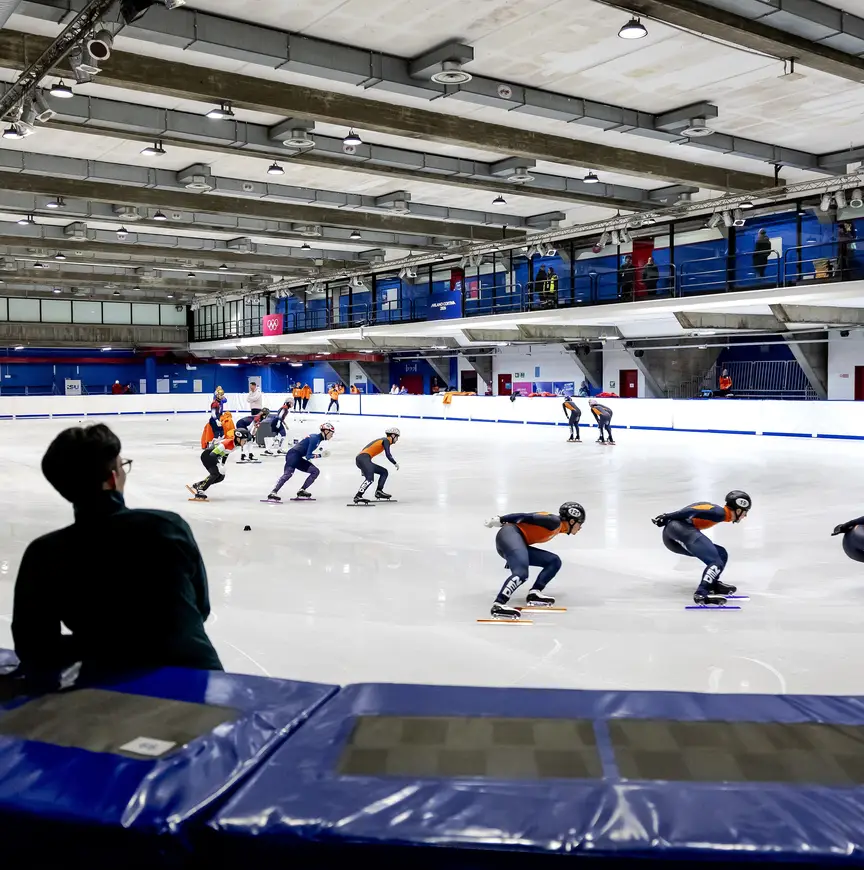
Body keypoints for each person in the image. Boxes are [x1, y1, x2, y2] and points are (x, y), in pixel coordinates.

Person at [10, 423, 222, 690]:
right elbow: (200, 608)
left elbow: (33, 645)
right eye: (123, 466)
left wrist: (98, 643)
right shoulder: (167, 528)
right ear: (113, 478)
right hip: (193, 681)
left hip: (106, 690)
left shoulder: (44, 553)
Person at [483, 502, 586, 620]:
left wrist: (513, 556)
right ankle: (499, 604)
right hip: (509, 535)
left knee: (554, 561)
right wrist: (500, 519)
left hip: (513, 539)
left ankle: (534, 593)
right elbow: (525, 516)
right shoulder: (554, 521)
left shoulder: (558, 527)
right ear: (572, 521)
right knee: (521, 574)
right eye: (580, 523)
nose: (580, 527)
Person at [652, 492, 751, 605]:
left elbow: (693, 510)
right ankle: (701, 593)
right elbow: (690, 511)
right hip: (679, 530)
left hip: (673, 535)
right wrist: (667, 516)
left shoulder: (719, 512)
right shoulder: (719, 513)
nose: (745, 516)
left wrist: (669, 518)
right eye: (745, 512)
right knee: (716, 561)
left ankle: (711, 584)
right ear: (738, 510)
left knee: (721, 553)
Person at [266, 422, 334, 501]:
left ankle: (302, 491)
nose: (331, 436)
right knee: (288, 474)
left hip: (298, 457)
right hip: (293, 456)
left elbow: (307, 454)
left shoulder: (317, 439)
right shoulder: (315, 439)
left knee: (315, 471)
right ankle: (273, 492)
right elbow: (308, 456)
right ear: (326, 431)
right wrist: (320, 455)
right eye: (331, 433)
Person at [188, 428, 250, 500]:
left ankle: (198, 485)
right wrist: (218, 464)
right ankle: (201, 489)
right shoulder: (226, 443)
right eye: (244, 440)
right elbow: (213, 454)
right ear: (238, 439)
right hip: (207, 455)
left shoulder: (236, 445)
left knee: (220, 477)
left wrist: (222, 464)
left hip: (213, 457)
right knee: (215, 474)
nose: (245, 442)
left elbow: (226, 453)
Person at [353, 427, 400, 504]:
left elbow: (365, 448)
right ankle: (358, 496)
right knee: (370, 479)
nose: (397, 440)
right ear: (393, 435)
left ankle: (379, 491)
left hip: (362, 459)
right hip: (364, 459)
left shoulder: (381, 440)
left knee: (384, 472)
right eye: (397, 437)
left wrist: (363, 467)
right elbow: (388, 454)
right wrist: (395, 463)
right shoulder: (386, 440)